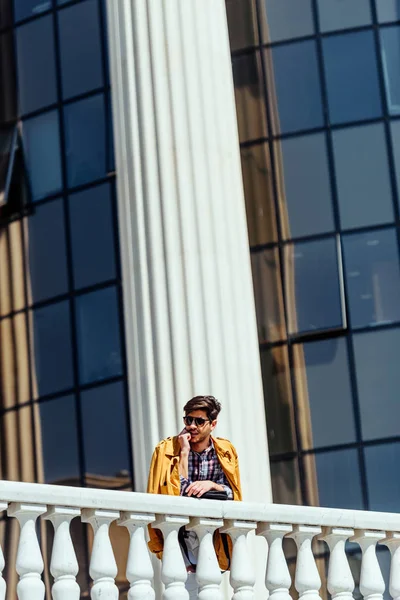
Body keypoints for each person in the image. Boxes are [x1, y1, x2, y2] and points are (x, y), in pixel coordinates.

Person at [147, 395, 242, 593]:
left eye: (199, 421)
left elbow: (234, 494)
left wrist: (212, 486)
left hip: (212, 539)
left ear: (213, 424)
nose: (192, 425)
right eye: (188, 419)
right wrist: (184, 452)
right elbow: (178, 494)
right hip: (178, 540)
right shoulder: (166, 450)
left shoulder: (224, 451)